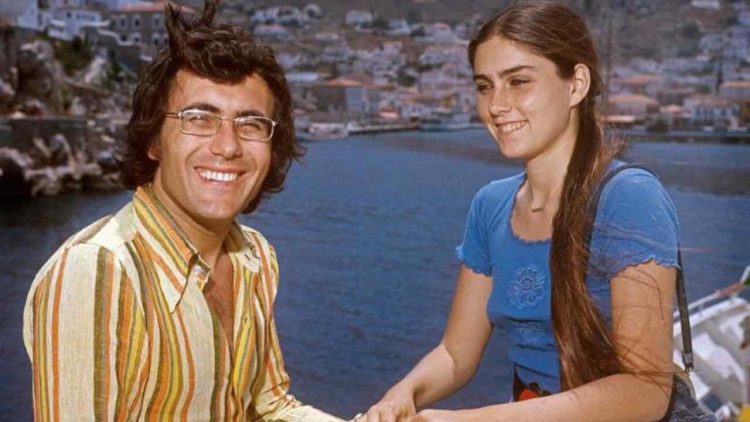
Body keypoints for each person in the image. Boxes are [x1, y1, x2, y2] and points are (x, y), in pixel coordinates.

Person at [363, 2, 713, 421]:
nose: (496, 105)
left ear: (576, 84)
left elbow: (645, 392)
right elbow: (456, 354)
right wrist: (402, 394)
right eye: (485, 86)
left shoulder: (629, 199)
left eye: (518, 82)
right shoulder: (490, 206)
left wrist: (473, 420)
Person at [22, 1, 342, 420]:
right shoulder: (99, 272)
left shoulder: (256, 257)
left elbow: (268, 406)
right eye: (199, 119)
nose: (227, 146)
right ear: (154, 140)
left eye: (250, 124)